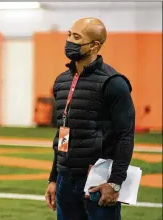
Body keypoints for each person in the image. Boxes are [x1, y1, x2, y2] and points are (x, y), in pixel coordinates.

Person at [45, 17, 135, 220]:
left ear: (95, 45)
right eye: (69, 34)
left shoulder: (114, 83)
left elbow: (125, 136)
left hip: (98, 181)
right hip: (65, 180)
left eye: (77, 37)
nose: (70, 41)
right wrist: (54, 177)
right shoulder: (61, 82)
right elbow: (63, 134)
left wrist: (115, 182)